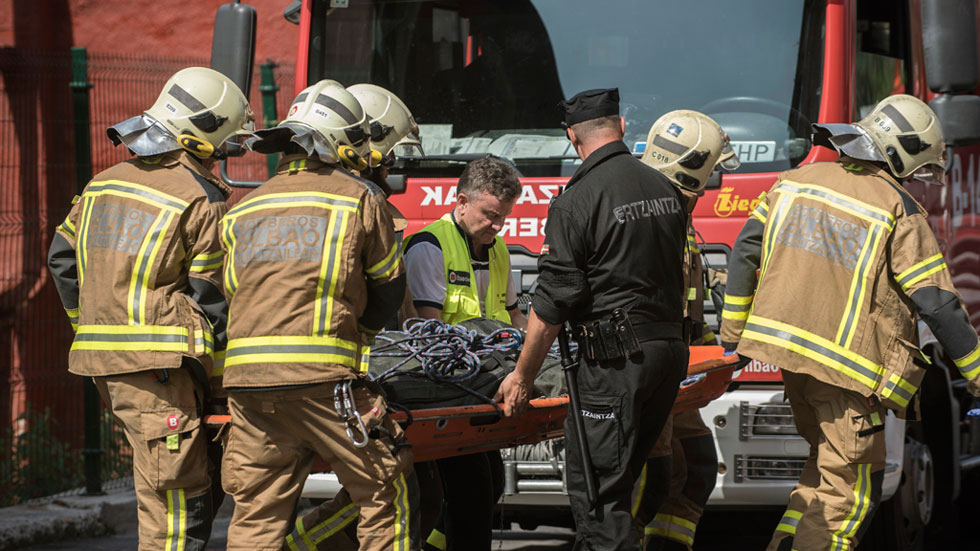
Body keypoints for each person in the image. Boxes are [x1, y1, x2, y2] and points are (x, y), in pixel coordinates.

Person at [720, 94, 980, 551]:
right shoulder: (899, 210)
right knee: (851, 494)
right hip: (848, 377)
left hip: (793, 367)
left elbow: (744, 251)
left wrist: (733, 333)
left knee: (821, 477)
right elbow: (938, 304)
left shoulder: (793, 181)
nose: (918, 182)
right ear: (902, 156)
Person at [47, 66, 253, 551]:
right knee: (180, 500)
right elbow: (213, 299)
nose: (225, 157)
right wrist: (225, 383)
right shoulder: (201, 199)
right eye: (225, 145)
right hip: (162, 367)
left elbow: (61, 261)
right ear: (201, 140)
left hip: (108, 366)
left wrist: (92, 324)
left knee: (169, 482)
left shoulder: (101, 183)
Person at [220, 80, 419, 551]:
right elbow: (389, 289)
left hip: (247, 386)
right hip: (324, 383)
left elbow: (230, 291)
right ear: (344, 144)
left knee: (256, 514)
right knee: (384, 490)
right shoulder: (358, 199)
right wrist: (362, 336)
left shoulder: (242, 208)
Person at [495, 88, 690, 551]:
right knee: (624, 481)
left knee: (601, 496)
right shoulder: (665, 188)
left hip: (614, 364)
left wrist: (523, 375)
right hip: (667, 356)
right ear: (621, 128)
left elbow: (554, 300)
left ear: (571, 137)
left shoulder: (577, 201)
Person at [281, 83, 426, 551]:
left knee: (262, 506)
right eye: (390, 159)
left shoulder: (275, 197)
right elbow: (384, 299)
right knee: (387, 486)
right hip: (341, 375)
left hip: (269, 373)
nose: (391, 171)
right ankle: (299, 545)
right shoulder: (360, 201)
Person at [401, 155, 524, 551]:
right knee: (473, 488)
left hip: (482, 388)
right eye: (490, 215)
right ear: (461, 201)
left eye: (503, 217)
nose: (497, 225)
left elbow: (513, 315)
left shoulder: (498, 248)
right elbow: (427, 330)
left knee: (488, 484)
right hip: (444, 391)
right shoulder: (429, 247)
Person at [632, 110, 741, 551]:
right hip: (648, 369)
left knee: (694, 469)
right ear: (691, 169)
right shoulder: (647, 211)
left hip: (680, 366)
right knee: (650, 483)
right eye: (711, 169)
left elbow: (686, 289)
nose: (715, 179)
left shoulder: (675, 210)